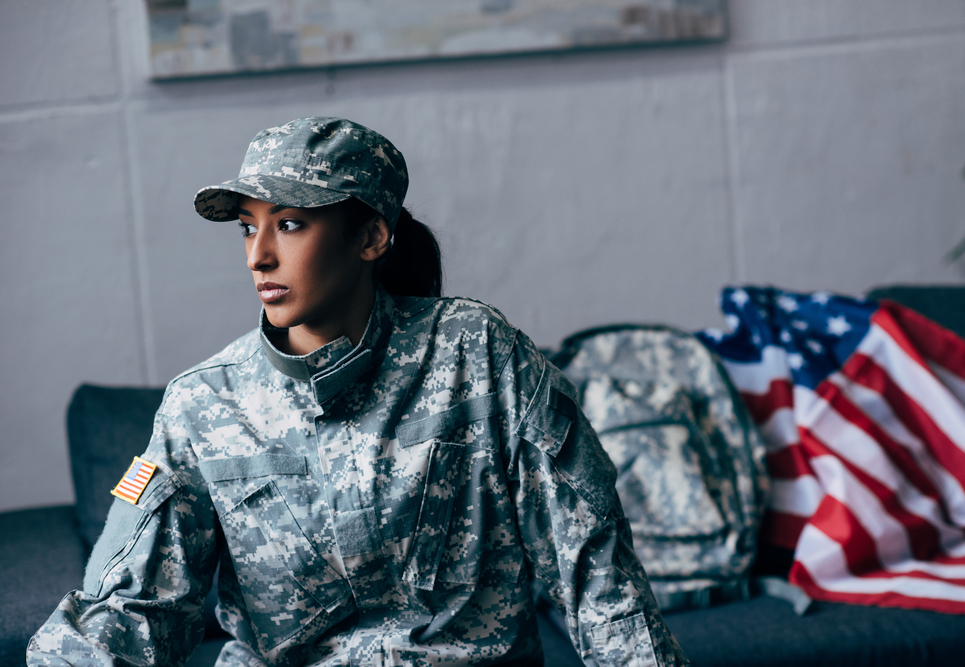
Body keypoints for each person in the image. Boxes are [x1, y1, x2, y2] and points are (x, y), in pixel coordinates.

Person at [28, 117, 688, 666]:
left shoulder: (477, 353)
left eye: (288, 224)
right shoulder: (201, 408)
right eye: (246, 227)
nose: (258, 254)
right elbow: (130, 614)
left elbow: (597, 576)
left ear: (371, 236)